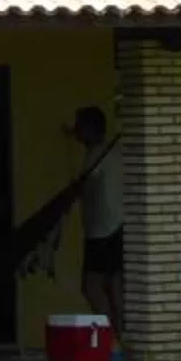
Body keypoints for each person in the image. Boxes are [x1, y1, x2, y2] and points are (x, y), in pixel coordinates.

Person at [70, 105, 126, 341]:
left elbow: (81, 186)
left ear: (90, 129)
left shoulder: (97, 155)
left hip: (101, 232)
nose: (75, 132)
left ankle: (112, 335)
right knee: (115, 286)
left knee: (92, 287)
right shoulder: (113, 153)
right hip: (117, 227)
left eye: (78, 127)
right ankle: (122, 336)